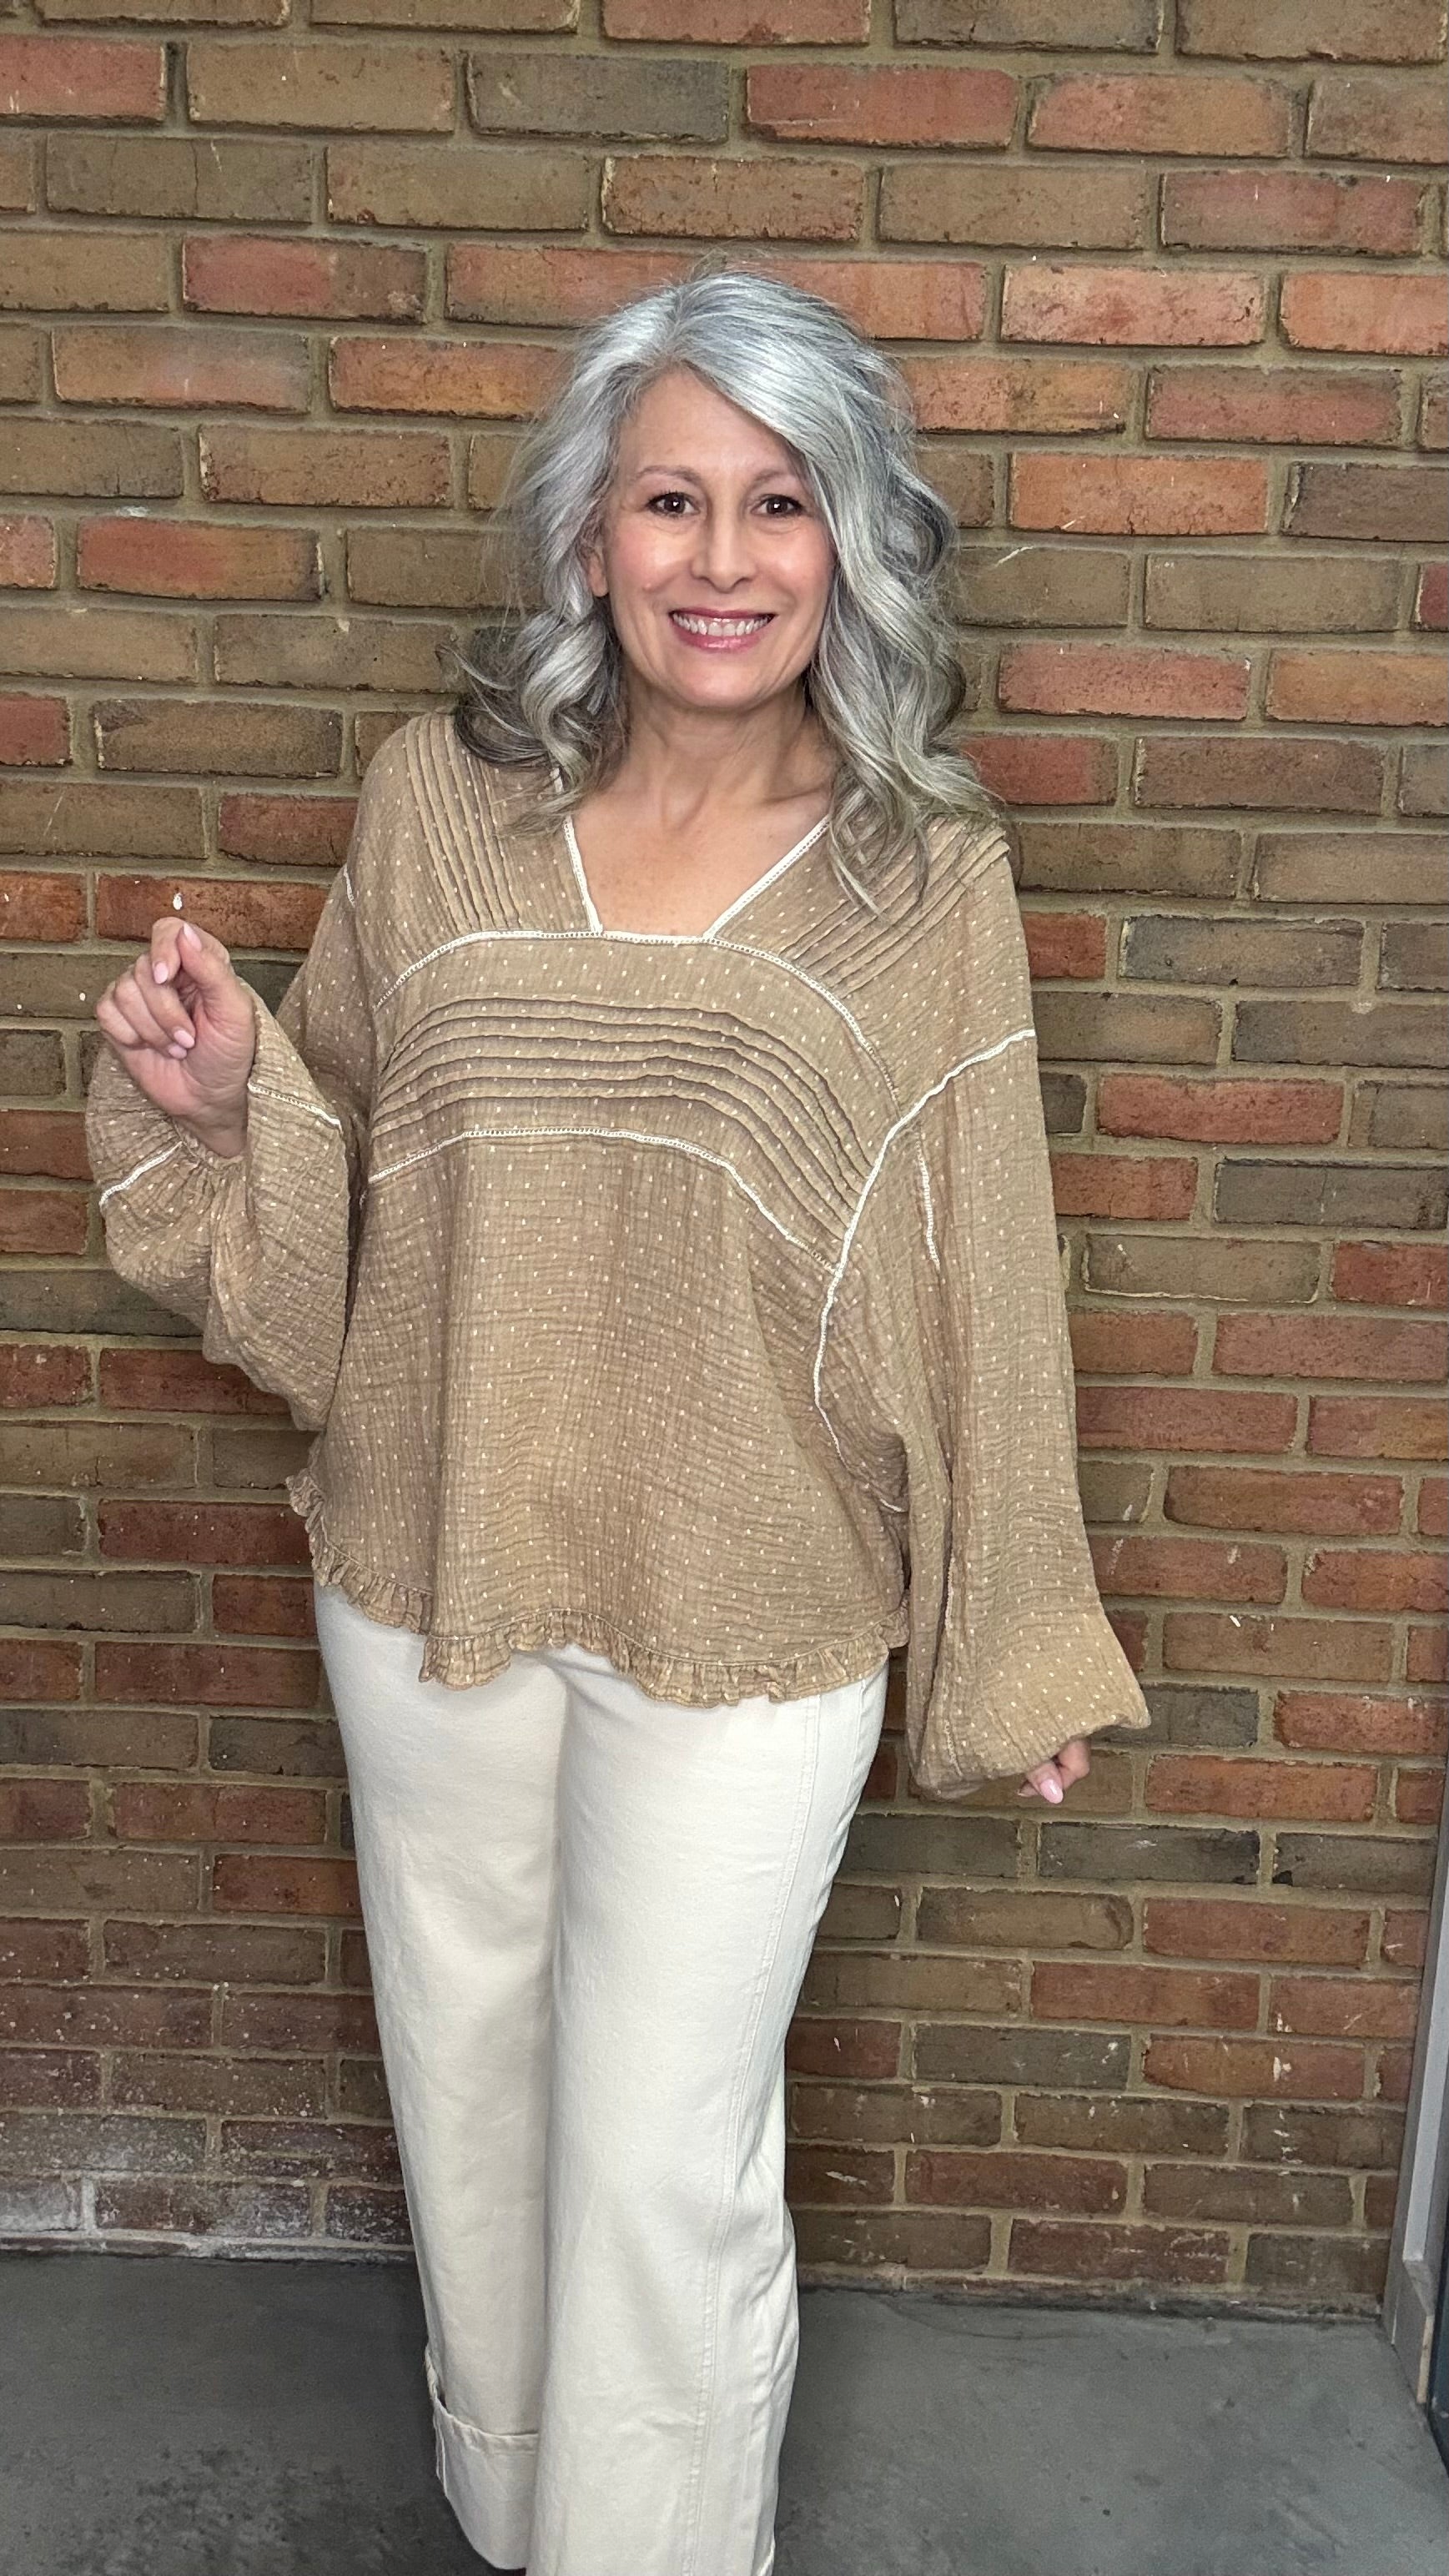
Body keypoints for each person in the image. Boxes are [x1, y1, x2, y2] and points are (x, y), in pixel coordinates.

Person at [85, 267, 1150, 2576]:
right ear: (587, 541)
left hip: (753, 1611)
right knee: (471, 2097)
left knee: (663, 2153)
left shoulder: (914, 877)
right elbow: (347, 1178)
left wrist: (1005, 1638)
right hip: (431, 1567)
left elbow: (975, 1265)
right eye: (668, 497)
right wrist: (222, 1087)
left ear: (849, 541)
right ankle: (510, 2508)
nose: (723, 555)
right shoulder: (435, 809)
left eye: (780, 500)